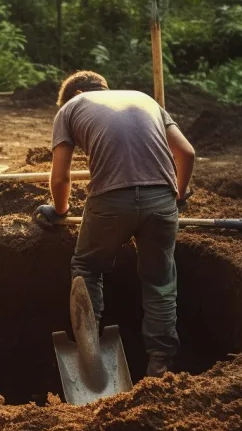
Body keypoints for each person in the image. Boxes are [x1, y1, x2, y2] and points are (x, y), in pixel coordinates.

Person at [34, 71, 196, 377]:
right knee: (160, 280)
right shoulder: (145, 99)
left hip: (110, 202)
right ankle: (160, 362)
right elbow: (186, 152)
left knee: (87, 267)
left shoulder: (70, 107)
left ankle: (90, 356)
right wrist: (179, 194)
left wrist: (60, 210)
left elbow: (60, 176)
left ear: (78, 91)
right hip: (161, 200)